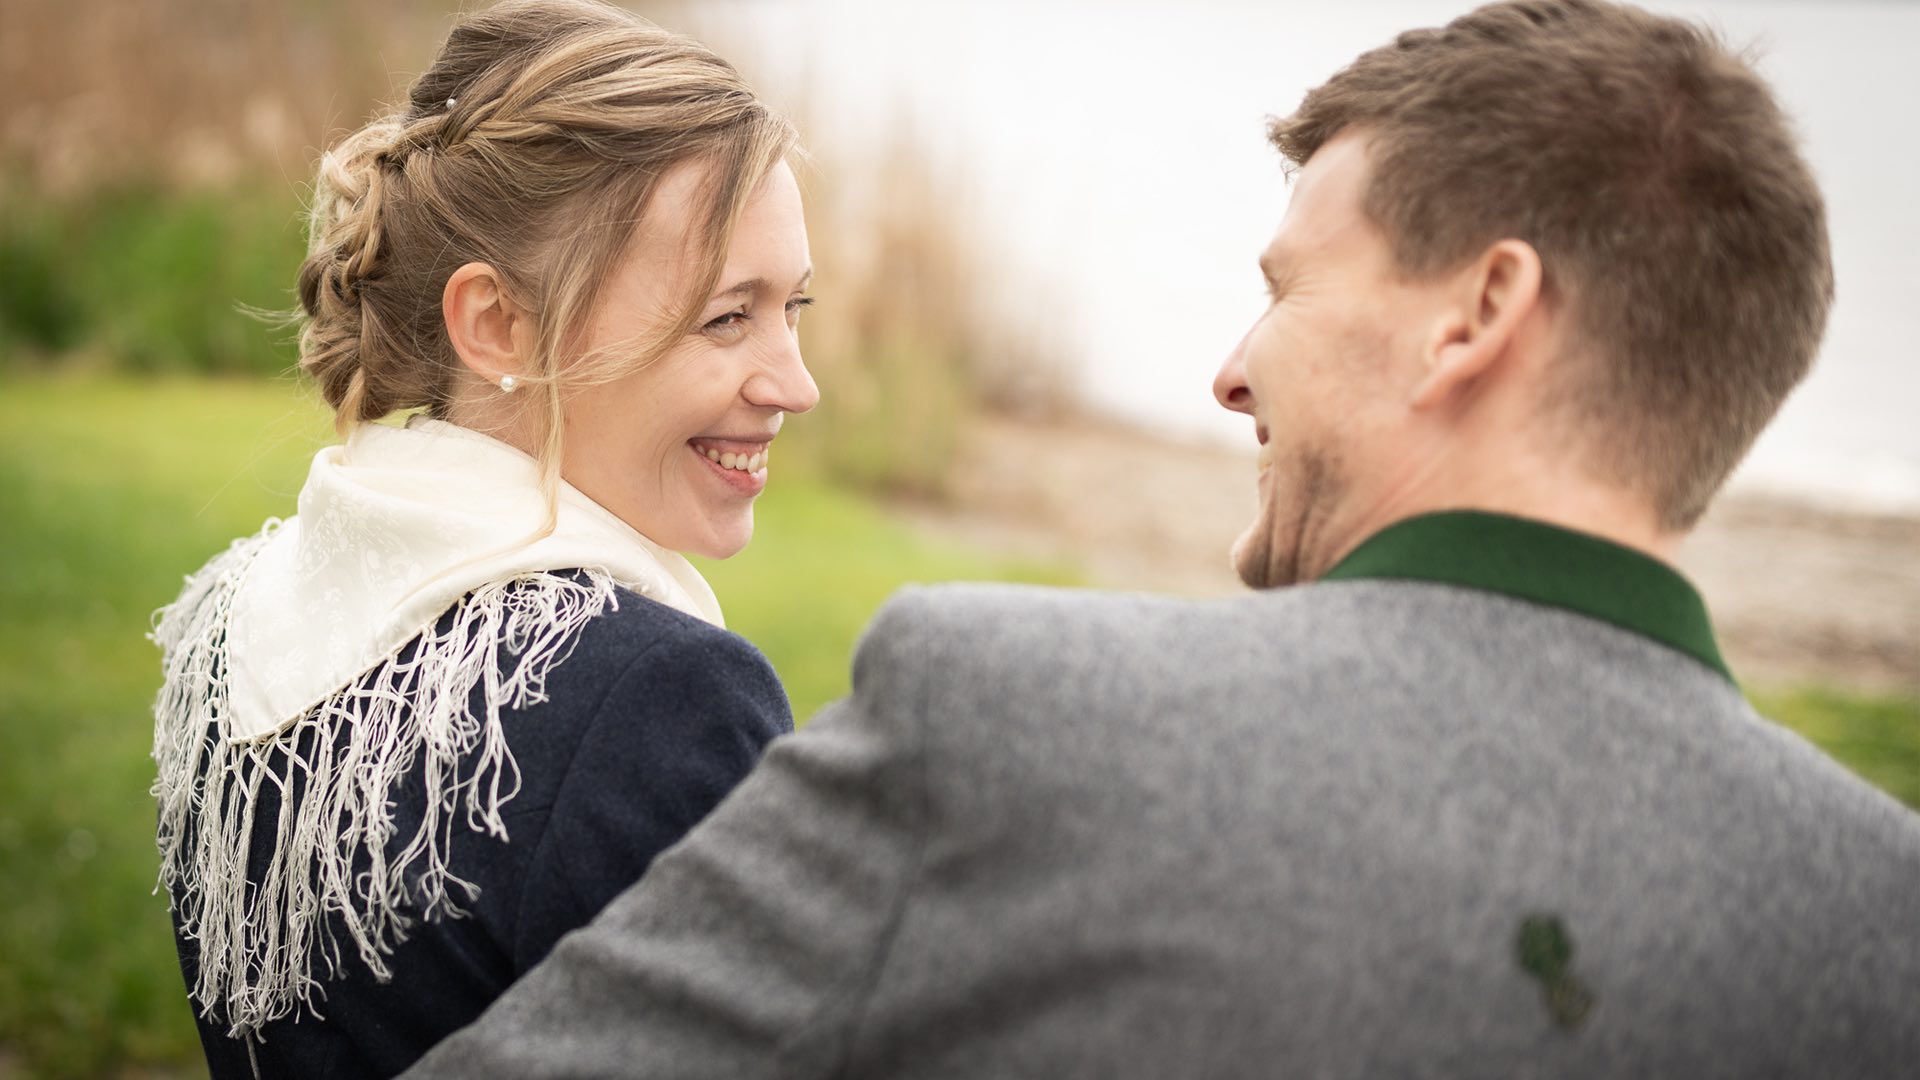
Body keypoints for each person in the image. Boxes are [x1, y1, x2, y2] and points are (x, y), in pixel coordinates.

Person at [404, 1, 1920, 1077]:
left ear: (1480, 314)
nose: (1232, 369)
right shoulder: (1885, 925)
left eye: (1291, 285)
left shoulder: (1021, 716)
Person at [147, 1, 817, 1075]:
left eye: (797, 307)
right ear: (498, 324)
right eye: (727, 316)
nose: (798, 382)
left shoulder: (233, 619)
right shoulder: (649, 704)